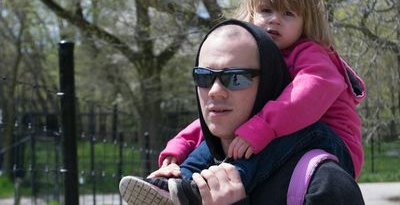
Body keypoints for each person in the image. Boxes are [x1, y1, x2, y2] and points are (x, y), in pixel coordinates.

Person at [119, 20, 365, 205]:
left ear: (270, 81)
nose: (215, 91)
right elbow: (197, 129)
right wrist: (177, 153)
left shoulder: (324, 183)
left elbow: (308, 91)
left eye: (235, 78)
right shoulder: (196, 167)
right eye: (204, 77)